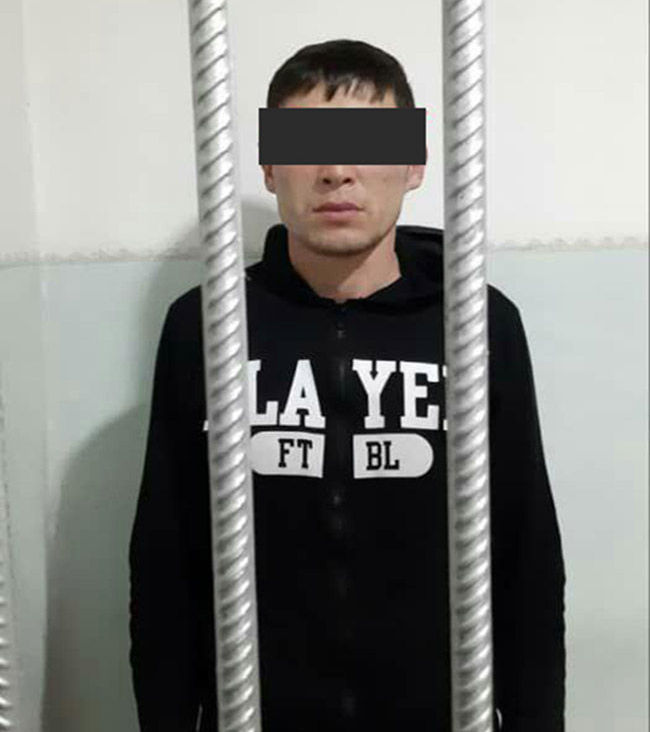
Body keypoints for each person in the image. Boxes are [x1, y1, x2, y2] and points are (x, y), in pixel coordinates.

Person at [129, 39, 566, 731]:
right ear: (270, 166)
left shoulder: (478, 323)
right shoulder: (205, 325)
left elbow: (527, 556)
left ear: (414, 163)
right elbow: (165, 559)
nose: (337, 171)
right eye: (306, 145)